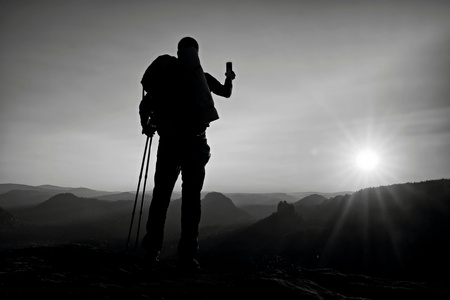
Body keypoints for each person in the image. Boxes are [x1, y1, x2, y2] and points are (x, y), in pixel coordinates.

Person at [139, 37, 235, 269]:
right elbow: (226, 93)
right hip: (195, 144)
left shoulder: (164, 76)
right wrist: (229, 79)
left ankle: (151, 253)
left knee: (161, 197)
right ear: (196, 53)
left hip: (169, 144)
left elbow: (144, 106)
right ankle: (188, 256)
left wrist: (147, 125)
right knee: (192, 201)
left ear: (178, 51)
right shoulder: (199, 76)